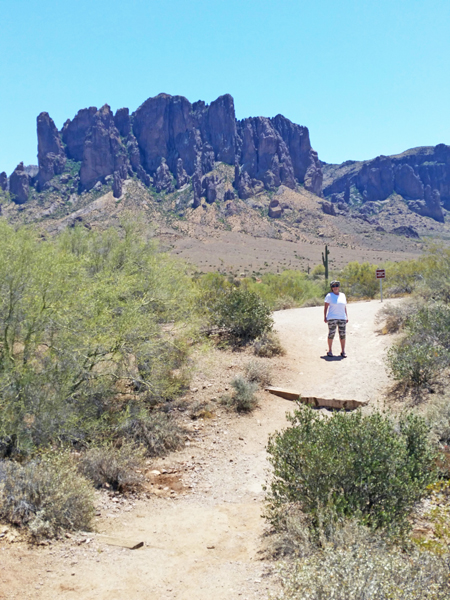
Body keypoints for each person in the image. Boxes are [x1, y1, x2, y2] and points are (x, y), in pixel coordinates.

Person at [324, 280, 348, 358]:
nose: (335, 287)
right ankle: (330, 350)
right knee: (331, 334)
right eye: (333, 286)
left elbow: (344, 306)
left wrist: (346, 316)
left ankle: (343, 351)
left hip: (342, 317)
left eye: (336, 286)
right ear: (331, 288)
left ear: (339, 286)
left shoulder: (343, 295)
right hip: (332, 317)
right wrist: (325, 316)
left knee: (343, 334)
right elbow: (326, 307)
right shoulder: (329, 295)